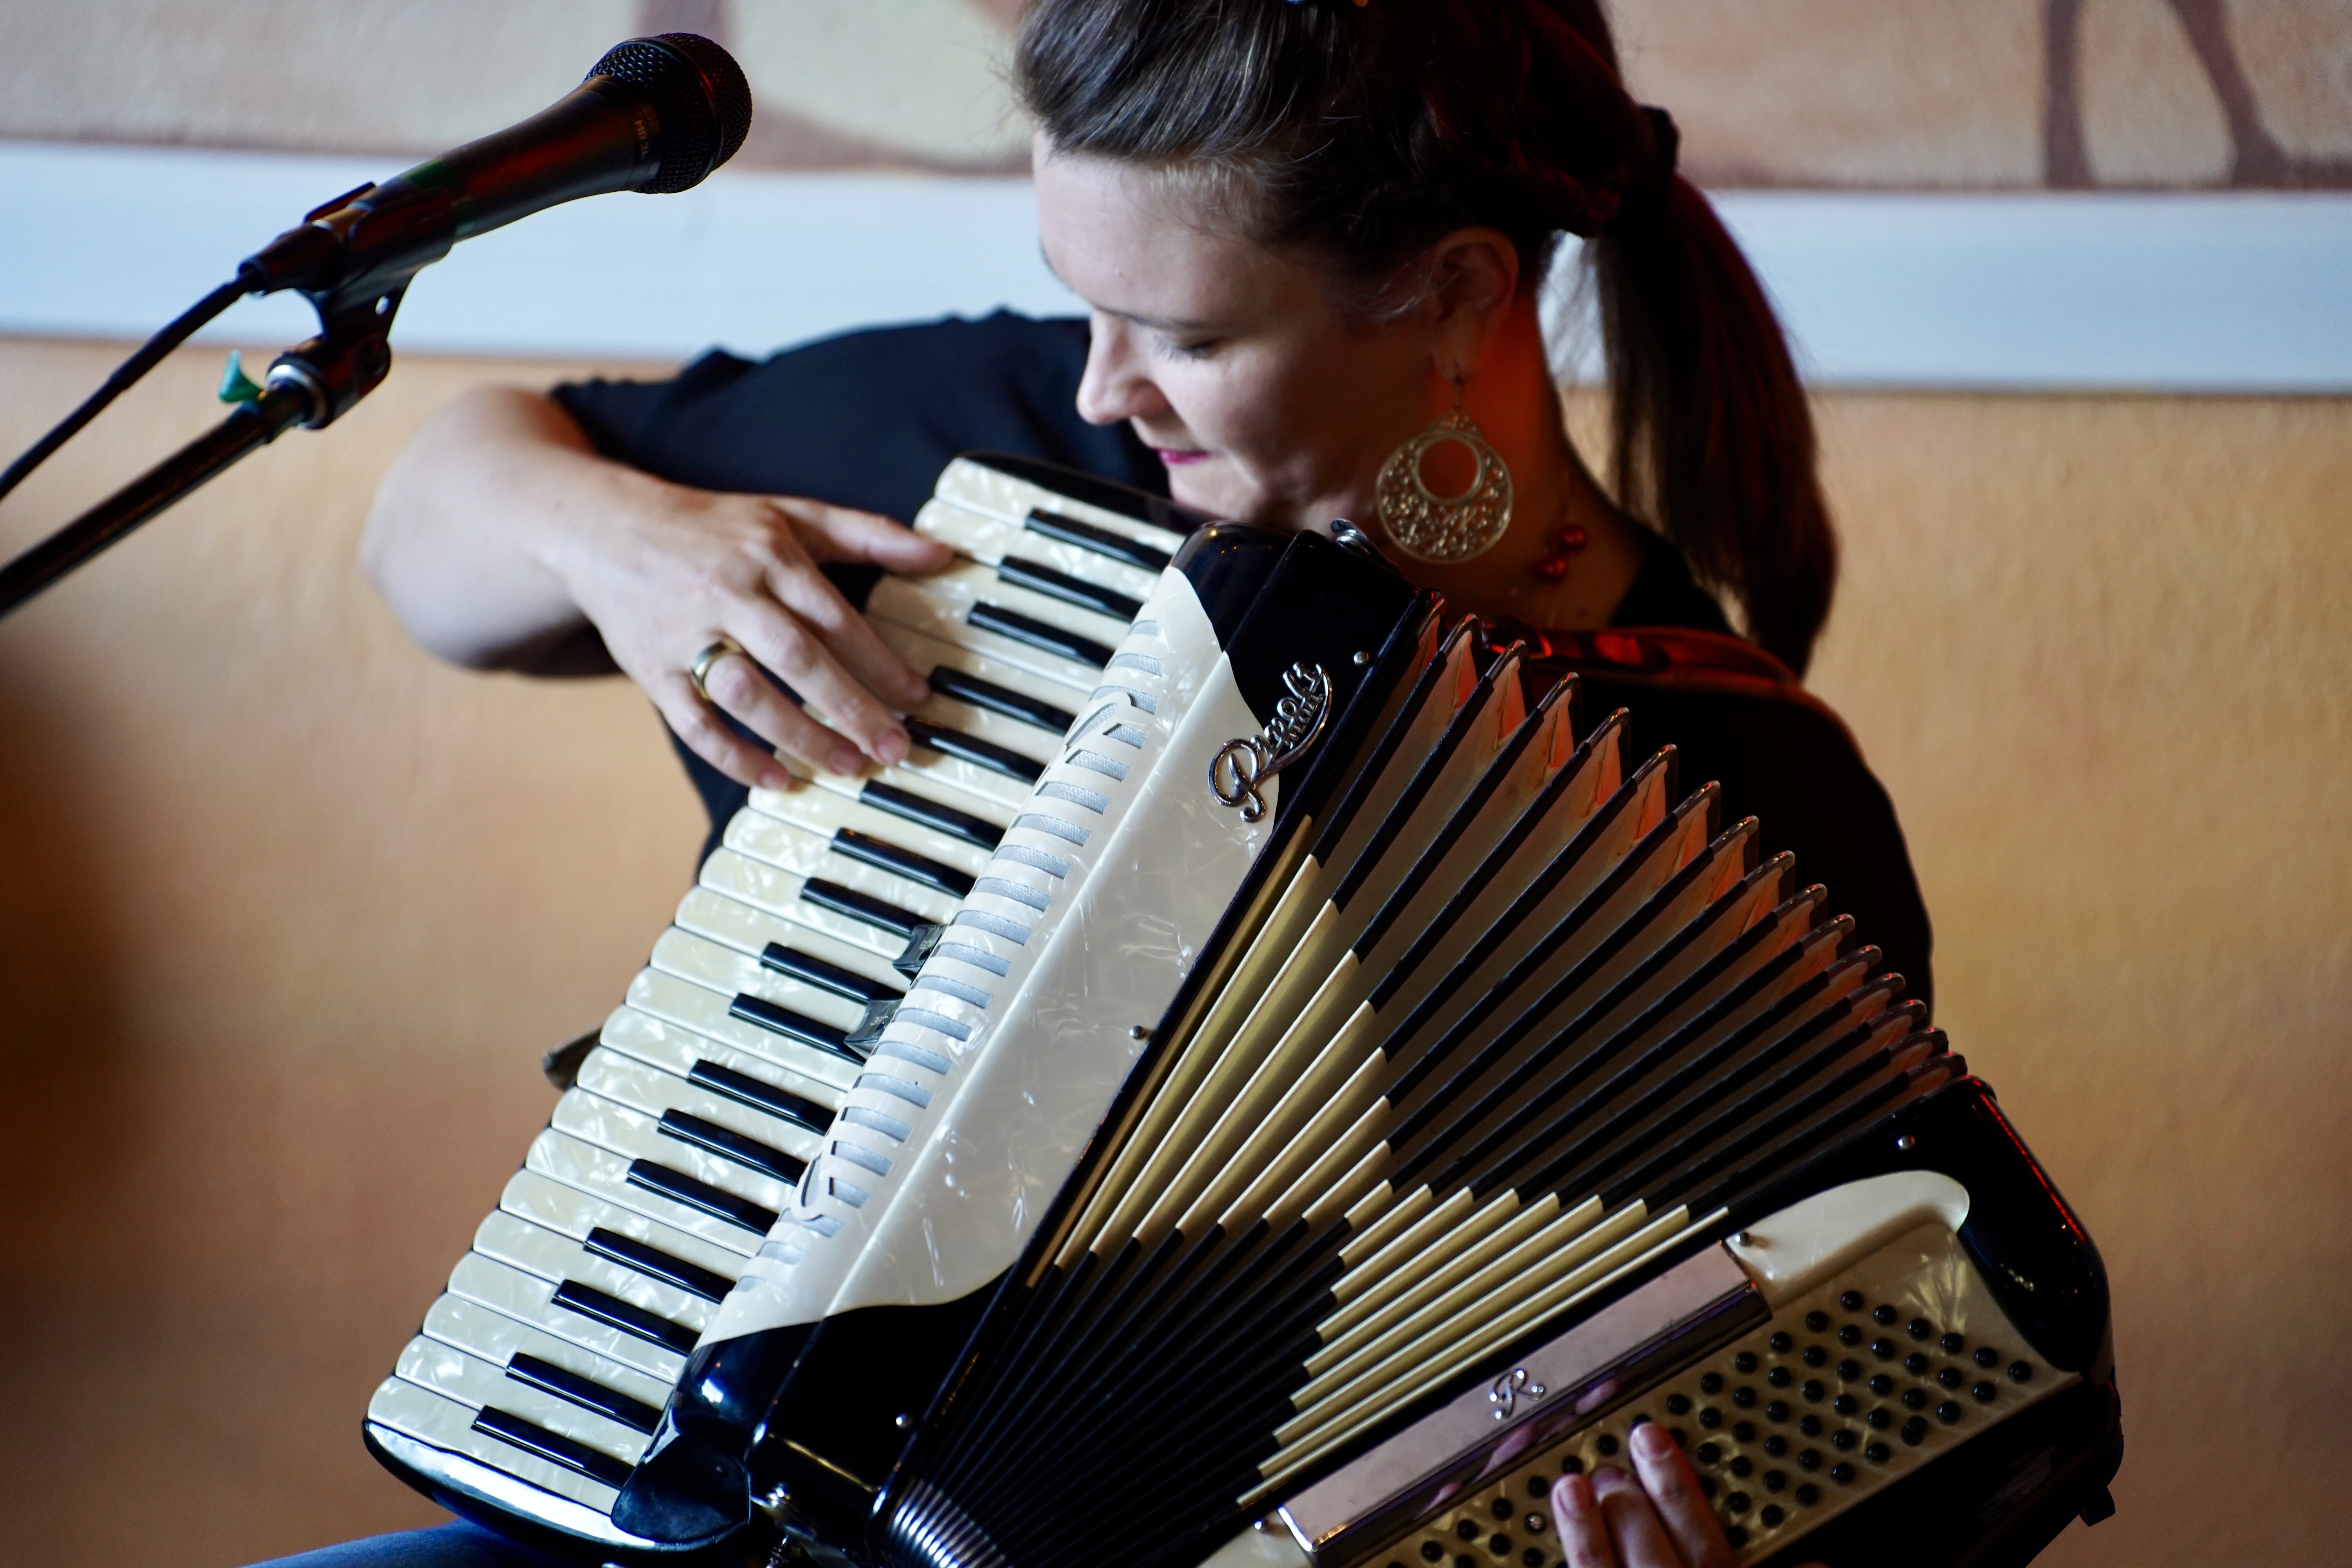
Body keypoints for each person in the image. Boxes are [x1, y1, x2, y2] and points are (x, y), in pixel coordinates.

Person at [285, 2, 1927, 1564]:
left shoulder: (1741, 810)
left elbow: (1833, 1403)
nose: (1101, 387)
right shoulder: (1013, 468)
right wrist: (620, 540)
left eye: (1189, 336)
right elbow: (430, 517)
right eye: (1081, 301)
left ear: (1454, 295)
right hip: (690, 1510)